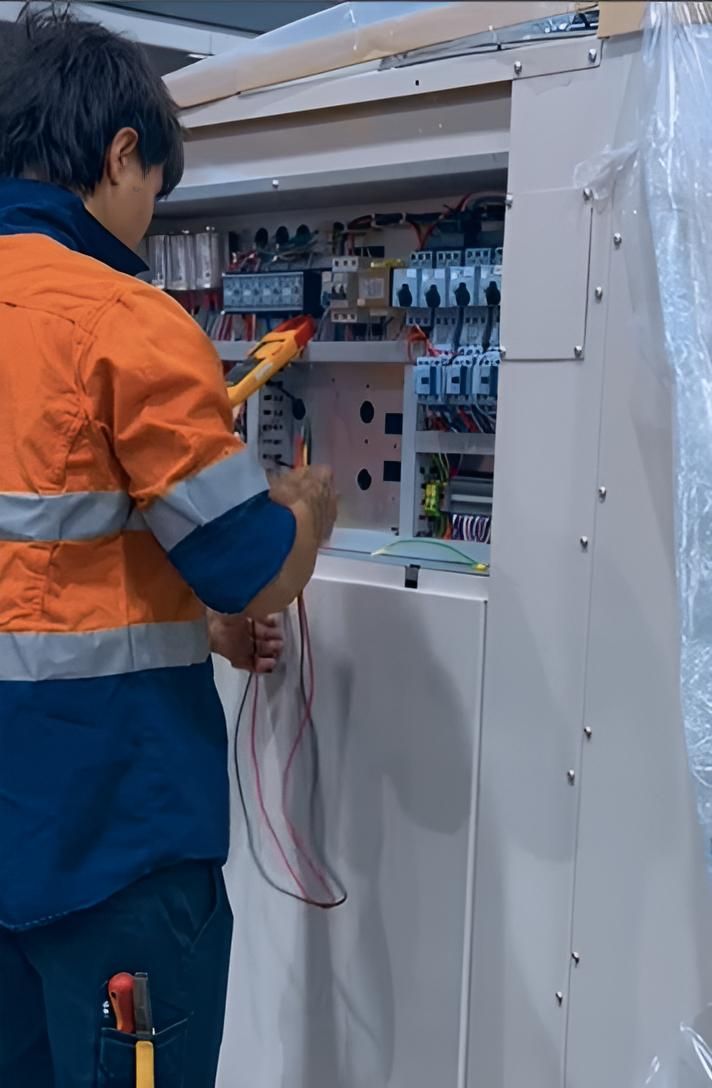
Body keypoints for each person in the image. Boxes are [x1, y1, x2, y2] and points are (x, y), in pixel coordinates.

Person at [0, 8, 337, 1088]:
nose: (151, 219)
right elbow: (255, 567)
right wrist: (306, 508)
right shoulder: (126, 322)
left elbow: (40, 561)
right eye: (156, 186)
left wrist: (193, 626)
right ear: (119, 155)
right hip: (115, 851)